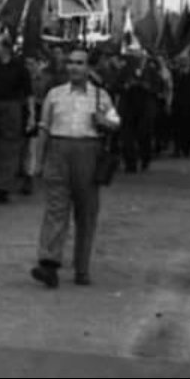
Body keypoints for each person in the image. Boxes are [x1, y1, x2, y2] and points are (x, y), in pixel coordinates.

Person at [31, 46, 119, 289]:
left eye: (79, 63)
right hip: (58, 152)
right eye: (70, 62)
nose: (74, 67)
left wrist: (104, 121)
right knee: (56, 209)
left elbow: (115, 121)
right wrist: (38, 160)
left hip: (88, 154)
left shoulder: (100, 96)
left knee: (86, 213)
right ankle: (49, 264)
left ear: (88, 68)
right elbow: (44, 128)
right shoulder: (55, 94)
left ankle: (82, 268)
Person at [0, 36, 36, 203]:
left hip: (12, 107)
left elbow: (28, 93)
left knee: (9, 147)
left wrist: (31, 115)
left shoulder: (19, 67)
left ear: (5, 48)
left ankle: (3, 187)